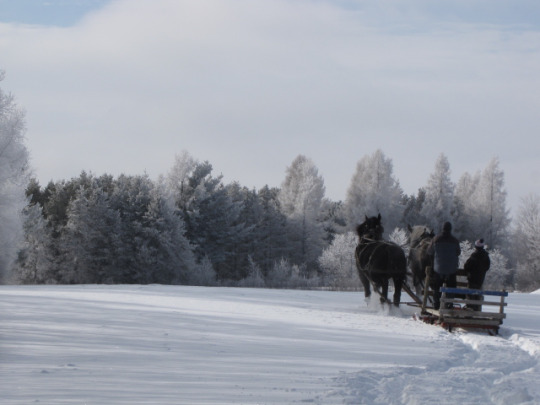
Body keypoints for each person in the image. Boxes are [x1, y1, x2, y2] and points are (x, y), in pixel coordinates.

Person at [427, 221, 461, 310]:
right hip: (451, 270)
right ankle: (449, 304)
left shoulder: (436, 239)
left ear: (442, 228)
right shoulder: (455, 240)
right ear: (450, 229)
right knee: (451, 286)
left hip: (438, 269)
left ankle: (436, 304)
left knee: (437, 287)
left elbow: (429, 251)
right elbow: (458, 252)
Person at [464, 239, 491, 311]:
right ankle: (477, 310)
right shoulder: (486, 256)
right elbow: (487, 267)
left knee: (470, 294)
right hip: (480, 279)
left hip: (472, 279)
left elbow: (466, 266)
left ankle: (470, 309)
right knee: (478, 295)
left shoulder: (474, 255)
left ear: (476, 247)